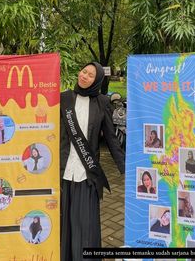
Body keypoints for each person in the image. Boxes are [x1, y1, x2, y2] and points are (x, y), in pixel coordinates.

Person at [60, 62, 125, 261]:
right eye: (84, 71)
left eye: (90, 75)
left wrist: (125, 169)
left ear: (97, 81)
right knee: (66, 225)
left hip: (87, 174)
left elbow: (112, 140)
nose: (85, 76)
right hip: (64, 173)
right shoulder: (64, 98)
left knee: (86, 226)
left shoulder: (103, 102)